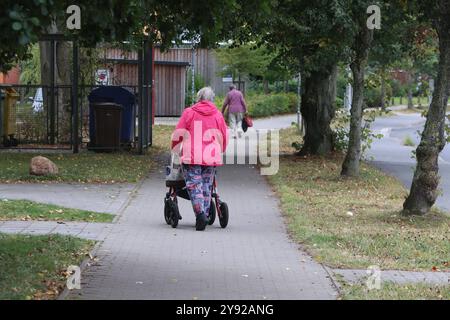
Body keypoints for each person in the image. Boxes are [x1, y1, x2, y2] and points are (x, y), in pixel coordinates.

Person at [171, 87, 228, 231]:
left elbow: (178, 133)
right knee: (207, 185)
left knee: (194, 185)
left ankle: (200, 214)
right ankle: (205, 212)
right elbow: (223, 135)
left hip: (192, 155)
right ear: (212, 99)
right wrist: (221, 149)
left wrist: (175, 148)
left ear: (198, 98)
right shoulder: (218, 115)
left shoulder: (189, 112)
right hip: (211, 155)